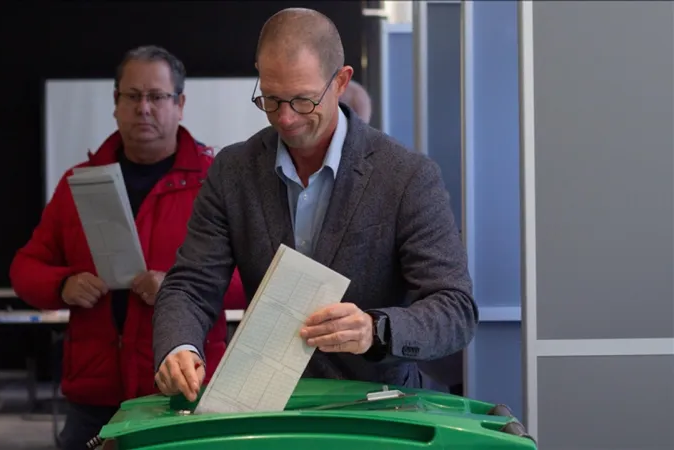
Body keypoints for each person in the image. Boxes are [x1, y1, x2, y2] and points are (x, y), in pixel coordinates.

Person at [152, 8, 478, 402]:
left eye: (303, 101)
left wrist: (374, 330)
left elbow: (454, 310)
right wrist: (179, 347)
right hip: (265, 406)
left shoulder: (406, 176)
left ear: (341, 82)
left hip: (377, 407)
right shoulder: (233, 171)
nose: (285, 119)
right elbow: (191, 285)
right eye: (270, 99)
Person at [9, 45, 245, 449]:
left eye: (157, 97)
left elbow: (253, 277)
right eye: (132, 97)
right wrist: (63, 284)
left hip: (186, 389)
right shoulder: (79, 181)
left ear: (180, 104)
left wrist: (177, 287)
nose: (144, 108)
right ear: (115, 103)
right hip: (95, 396)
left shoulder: (215, 182)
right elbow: (25, 268)